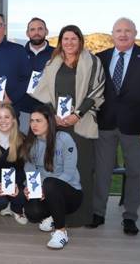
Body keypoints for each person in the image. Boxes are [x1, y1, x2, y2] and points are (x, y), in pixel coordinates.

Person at [91, 17, 140, 235]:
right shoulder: (101, 57)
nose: (123, 34)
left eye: (127, 30)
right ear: (112, 34)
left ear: (135, 33)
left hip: (137, 127)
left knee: (134, 172)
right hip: (105, 125)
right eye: (118, 31)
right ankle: (98, 213)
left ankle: (130, 217)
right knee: (102, 172)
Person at [31, 25, 104, 227]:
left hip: (80, 124)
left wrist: (77, 115)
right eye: (65, 39)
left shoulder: (92, 62)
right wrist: (53, 115)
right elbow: (43, 91)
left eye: (74, 39)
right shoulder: (53, 63)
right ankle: (57, 214)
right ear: (60, 41)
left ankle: (82, 216)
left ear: (80, 41)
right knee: (58, 167)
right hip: (57, 124)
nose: (69, 43)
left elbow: (96, 91)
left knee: (81, 168)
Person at [20, 104, 83, 249]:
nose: (34, 125)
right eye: (32, 121)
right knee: (32, 213)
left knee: (50, 184)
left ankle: (61, 232)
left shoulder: (64, 139)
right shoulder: (31, 143)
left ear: (49, 122)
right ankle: (52, 216)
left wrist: (45, 189)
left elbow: (69, 172)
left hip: (71, 194)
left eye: (38, 121)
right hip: (45, 190)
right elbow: (30, 172)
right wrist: (29, 187)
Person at [16, 17, 54, 133]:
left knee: (46, 147)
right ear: (27, 33)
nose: (36, 32)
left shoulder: (56, 54)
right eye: (32, 30)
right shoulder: (18, 53)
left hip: (47, 111)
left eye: (40, 29)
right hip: (23, 110)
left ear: (46, 31)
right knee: (23, 146)